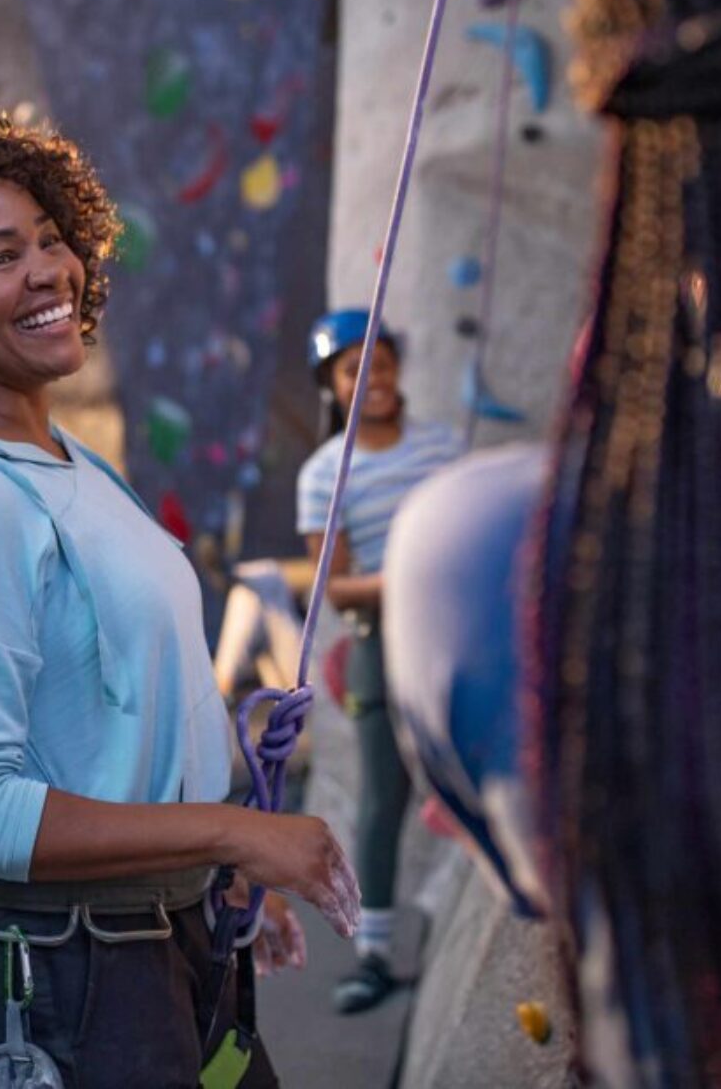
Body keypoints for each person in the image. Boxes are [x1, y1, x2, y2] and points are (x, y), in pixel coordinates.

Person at [0, 114, 359, 1087]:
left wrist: (216, 865)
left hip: (162, 944)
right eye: (1, 256)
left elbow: (122, 714)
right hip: (69, 981)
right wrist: (238, 832)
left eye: (52, 239)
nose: (50, 270)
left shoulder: (67, 463)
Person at [291, 309, 464, 1014]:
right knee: (383, 796)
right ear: (332, 384)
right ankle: (373, 953)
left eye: (383, 361)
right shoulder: (320, 476)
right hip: (379, 644)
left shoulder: (444, 447)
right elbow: (334, 585)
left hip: (455, 636)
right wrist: (411, 575)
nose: (374, 377)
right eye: (353, 366)